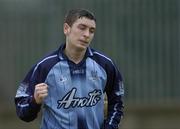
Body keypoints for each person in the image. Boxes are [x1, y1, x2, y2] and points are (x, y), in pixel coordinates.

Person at [14, 8, 124, 129]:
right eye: (82, 28)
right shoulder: (45, 67)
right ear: (66, 28)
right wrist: (35, 101)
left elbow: (117, 103)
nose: (87, 34)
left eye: (91, 31)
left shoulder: (105, 65)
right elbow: (21, 110)